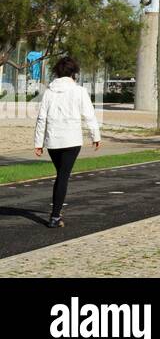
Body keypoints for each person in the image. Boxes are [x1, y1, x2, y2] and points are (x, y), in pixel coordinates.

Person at [33, 56, 101, 228]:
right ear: (74, 73)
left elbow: (41, 118)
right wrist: (96, 136)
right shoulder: (79, 91)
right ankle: (55, 216)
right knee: (63, 176)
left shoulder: (49, 92)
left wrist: (38, 142)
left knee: (61, 175)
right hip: (71, 140)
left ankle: (56, 213)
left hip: (53, 141)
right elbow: (89, 115)